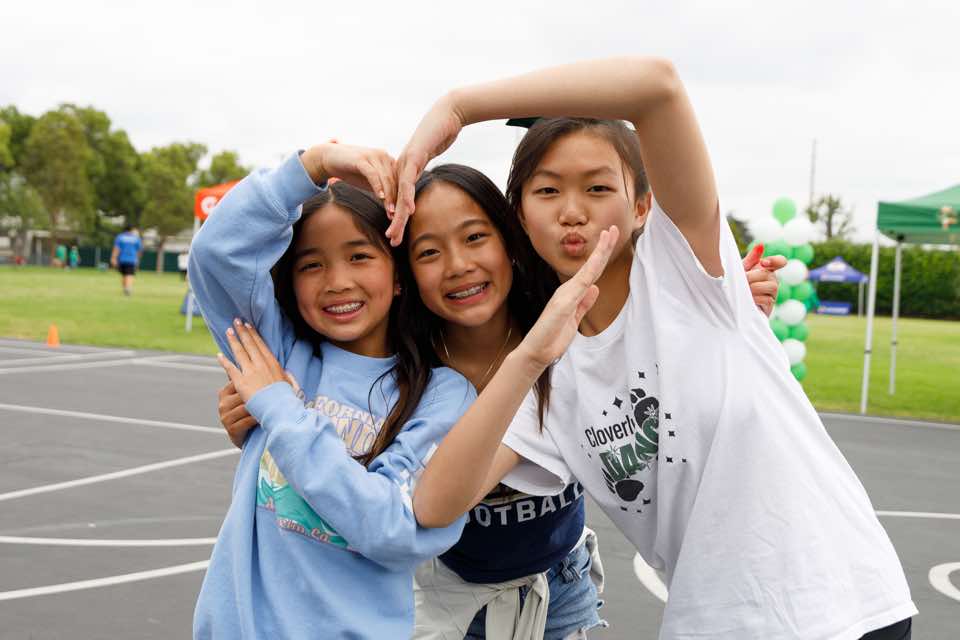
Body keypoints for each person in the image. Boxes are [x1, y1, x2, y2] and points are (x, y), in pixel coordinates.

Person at [395, 58, 916, 639]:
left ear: (642, 206)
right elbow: (435, 505)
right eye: (547, 191)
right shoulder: (550, 373)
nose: (572, 210)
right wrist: (528, 360)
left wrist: (462, 106)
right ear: (520, 215)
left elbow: (657, 86)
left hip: (843, 608)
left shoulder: (686, 275)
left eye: (597, 187)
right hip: (713, 624)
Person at [216, 163, 784, 639]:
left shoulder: (563, 325)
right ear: (406, 272)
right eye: (428, 251)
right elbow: (353, 445)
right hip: (447, 592)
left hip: (558, 579)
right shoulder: (413, 366)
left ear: (510, 242)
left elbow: (650, 354)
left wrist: (721, 310)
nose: (459, 265)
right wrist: (261, 423)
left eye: (475, 238)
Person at [188, 142, 475, 640]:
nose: (337, 282)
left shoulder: (443, 396)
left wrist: (280, 409)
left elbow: (396, 529)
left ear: (399, 275)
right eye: (311, 265)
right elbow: (216, 254)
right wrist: (314, 165)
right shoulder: (277, 351)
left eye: (360, 256)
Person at [110, 225, 142, 295]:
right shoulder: (136, 238)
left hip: (122, 259)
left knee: (124, 275)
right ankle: (128, 288)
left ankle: (125, 288)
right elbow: (139, 250)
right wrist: (138, 259)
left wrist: (113, 258)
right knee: (129, 274)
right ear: (131, 230)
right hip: (131, 259)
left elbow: (116, 249)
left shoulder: (120, 237)